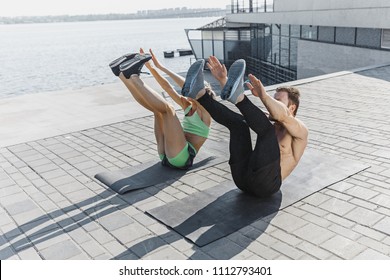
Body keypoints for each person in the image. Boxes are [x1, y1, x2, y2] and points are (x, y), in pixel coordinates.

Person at [182, 56, 308, 198]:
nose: (271, 102)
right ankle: (200, 94)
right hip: (242, 178)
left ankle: (236, 95)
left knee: (267, 131)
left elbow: (283, 116)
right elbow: (243, 111)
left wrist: (264, 96)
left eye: (277, 100)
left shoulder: (300, 131)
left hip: (266, 186)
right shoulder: (268, 120)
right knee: (239, 124)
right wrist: (225, 80)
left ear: (292, 108)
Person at [109, 49, 211, 170]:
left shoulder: (207, 113)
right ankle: (123, 75)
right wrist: (155, 68)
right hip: (169, 152)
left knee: (169, 109)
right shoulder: (188, 105)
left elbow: (190, 87)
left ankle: (132, 75)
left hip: (182, 158)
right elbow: (167, 87)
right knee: (158, 111)